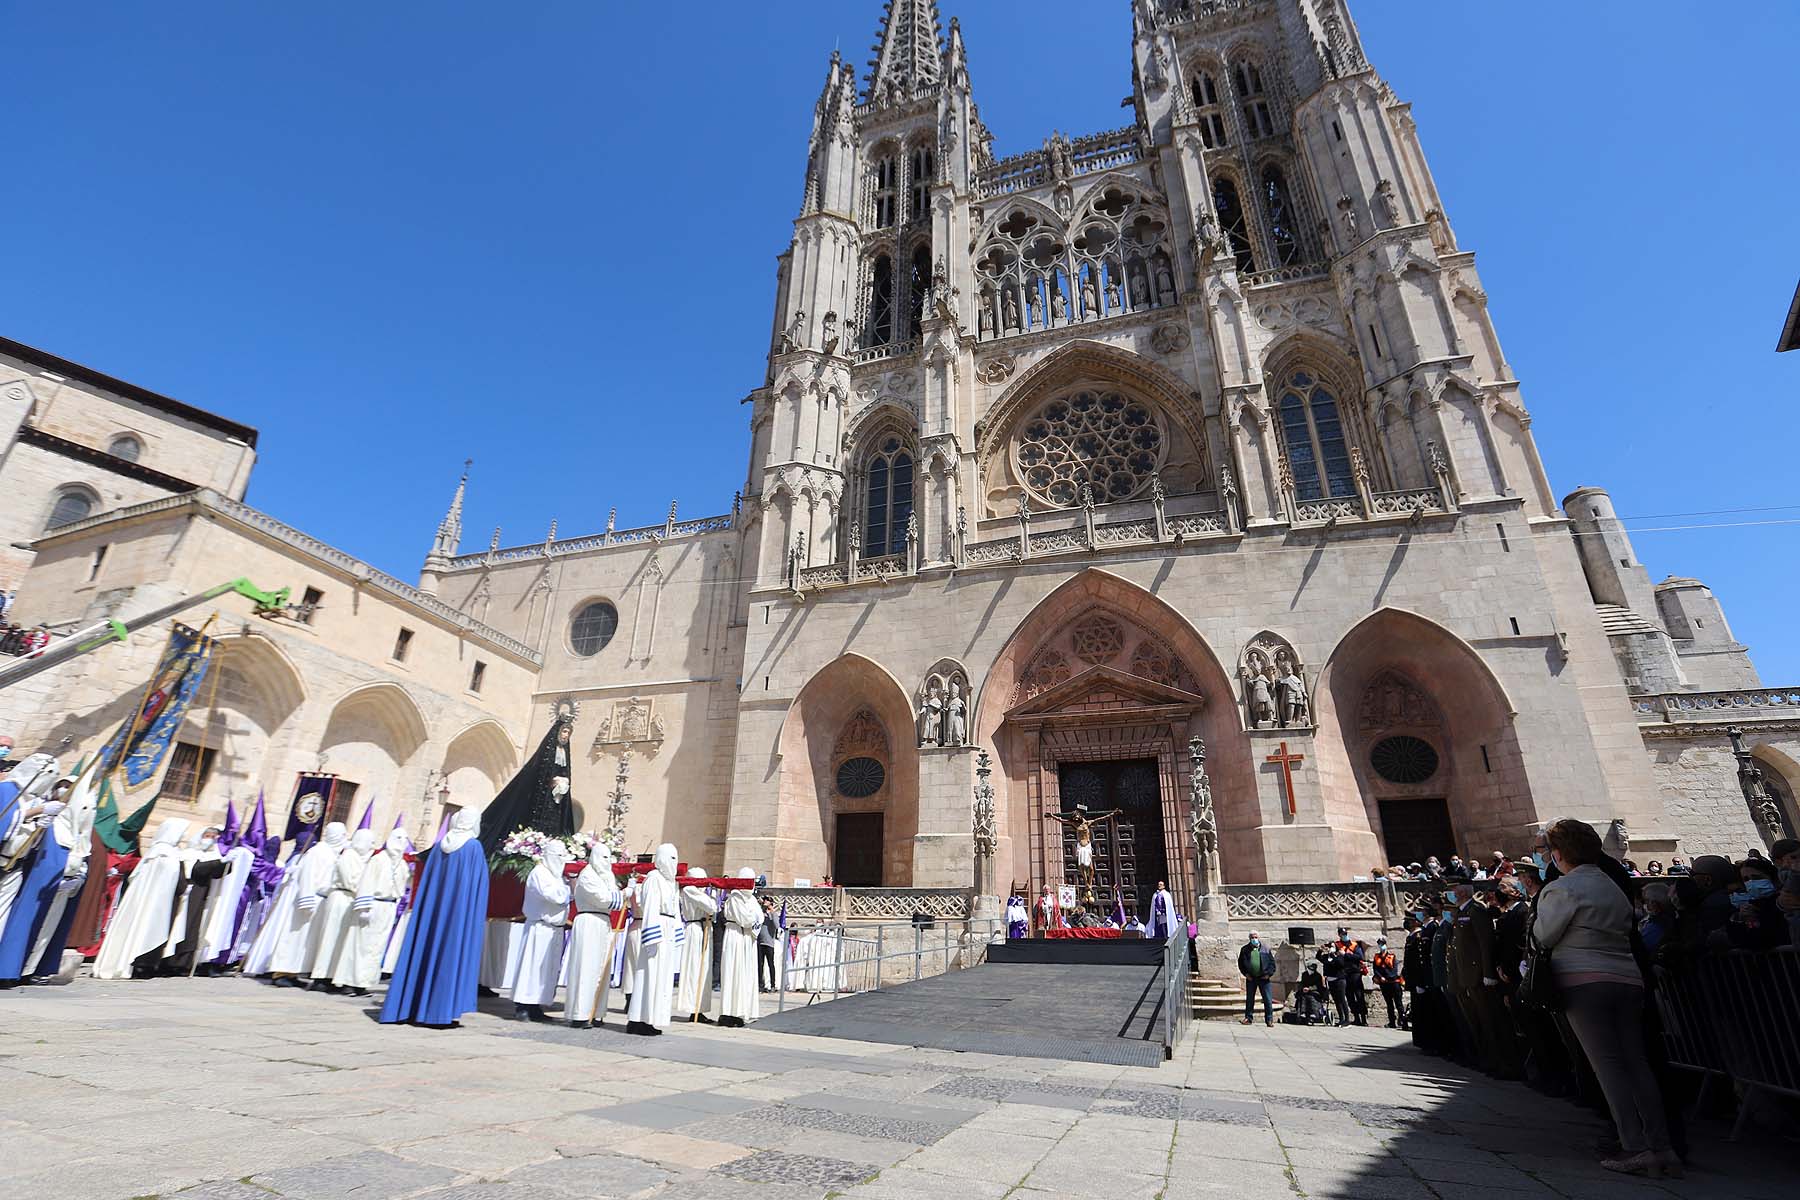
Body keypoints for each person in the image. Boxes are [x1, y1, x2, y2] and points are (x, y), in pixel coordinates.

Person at [1535, 818, 1678, 1177]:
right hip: (1627, 978)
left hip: (1584, 981)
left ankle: (1633, 1145)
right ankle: (1662, 1147)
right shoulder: (1612, 886)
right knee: (1637, 1063)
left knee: (1608, 1066)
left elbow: (1544, 936)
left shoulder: (1562, 888)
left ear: (1557, 853)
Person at [92, 819, 189, 979]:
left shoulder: (153, 853)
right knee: (148, 930)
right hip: (158, 905)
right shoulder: (169, 856)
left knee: (134, 927)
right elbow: (177, 883)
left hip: (140, 901)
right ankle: (141, 965)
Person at [331, 828, 409, 996]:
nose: (401, 841)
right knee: (359, 944)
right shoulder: (379, 860)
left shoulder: (401, 864)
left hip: (388, 908)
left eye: (404, 838)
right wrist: (364, 906)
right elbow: (367, 882)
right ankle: (348, 982)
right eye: (398, 837)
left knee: (376, 947)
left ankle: (363, 982)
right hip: (373, 905)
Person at [269, 821, 347, 985]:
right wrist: (306, 899)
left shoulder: (334, 853)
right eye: (342, 835)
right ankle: (281, 973)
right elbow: (307, 876)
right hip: (309, 899)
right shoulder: (316, 852)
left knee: (306, 941)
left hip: (321, 900)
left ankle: (293, 973)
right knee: (295, 936)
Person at [512, 840, 572, 1021]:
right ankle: (523, 1005)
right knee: (532, 967)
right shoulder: (539, 873)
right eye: (559, 856)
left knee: (545, 970)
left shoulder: (557, 877)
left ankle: (536, 1004)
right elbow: (554, 896)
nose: (562, 861)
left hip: (553, 929)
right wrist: (571, 889)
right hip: (539, 927)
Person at [565, 842, 623, 1027]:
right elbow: (604, 899)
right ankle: (580, 1013)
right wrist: (625, 892)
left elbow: (613, 898)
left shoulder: (607, 876)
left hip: (603, 923)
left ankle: (595, 1011)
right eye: (603, 857)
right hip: (589, 921)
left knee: (601, 969)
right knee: (587, 967)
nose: (607, 862)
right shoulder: (588, 875)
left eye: (609, 857)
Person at [626, 843, 681, 1035]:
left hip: (667, 930)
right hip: (656, 930)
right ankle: (639, 1020)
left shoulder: (671, 882)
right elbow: (650, 908)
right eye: (671, 857)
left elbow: (675, 909)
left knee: (661, 977)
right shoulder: (654, 878)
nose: (674, 862)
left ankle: (650, 1018)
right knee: (648, 974)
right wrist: (652, 936)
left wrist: (677, 933)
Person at [308, 827, 373, 988]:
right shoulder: (348, 855)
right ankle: (320, 976)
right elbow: (349, 880)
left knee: (339, 940)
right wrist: (365, 890)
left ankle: (331, 976)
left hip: (349, 900)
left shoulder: (359, 858)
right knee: (329, 937)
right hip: (340, 898)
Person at [718, 869, 762, 1028]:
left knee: (743, 975)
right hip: (735, 935)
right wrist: (753, 916)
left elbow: (759, 917)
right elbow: (747, 919)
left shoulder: (751, 899)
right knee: (732, 973)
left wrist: (753, 916)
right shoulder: (735, 897)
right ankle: (728, 1012)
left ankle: (740, 1011)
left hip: (746, 938)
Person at [676, 867, 719, 1022]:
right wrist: (712, 895)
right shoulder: (689, 890)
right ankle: (693, 1008)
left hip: (704, 927)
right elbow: (712, 907)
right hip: (694, 929)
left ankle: (700, 1008)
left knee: (703, 969)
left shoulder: (699, 892)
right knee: (694, 969)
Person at [1237, 930, 1275, 1027]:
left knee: (1267, 999)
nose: (1254, 939)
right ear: (1249, 939)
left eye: (1256, 937)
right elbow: (1241, 963)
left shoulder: (1265, 949)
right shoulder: (1245, 949)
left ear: (1258, 938)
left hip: (1264, 978)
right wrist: (1246, 974)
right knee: (1250, 999)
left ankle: (1269, 1019)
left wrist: (1268, 974)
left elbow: (1272, 964)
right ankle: (1248, 1018)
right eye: (1252, 937)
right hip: (1251, 978)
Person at [1371, 935, 1405, 1028]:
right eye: (1379, 944)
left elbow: (1394, 970)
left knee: (1399, 1003)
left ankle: (1403, 1021)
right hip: (1384, 984)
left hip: (1394, 983)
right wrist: (1380, 977)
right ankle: (1392, 1022)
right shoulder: (1376, 957)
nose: (1381, 946)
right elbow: (1375, 969)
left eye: (1382, 944)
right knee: (1389, 1004)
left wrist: (1388, 978)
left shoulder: (1392, 956)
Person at [756, 897, 780, 992]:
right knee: (760, 965)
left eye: (767, 901)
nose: (765, 902)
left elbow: (777, 925)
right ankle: (760, 985)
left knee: (771, 964)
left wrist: (772, 912)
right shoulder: (761, 914)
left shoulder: (773, 915)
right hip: (760, 942)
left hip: (769, 943)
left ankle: (773, 985)